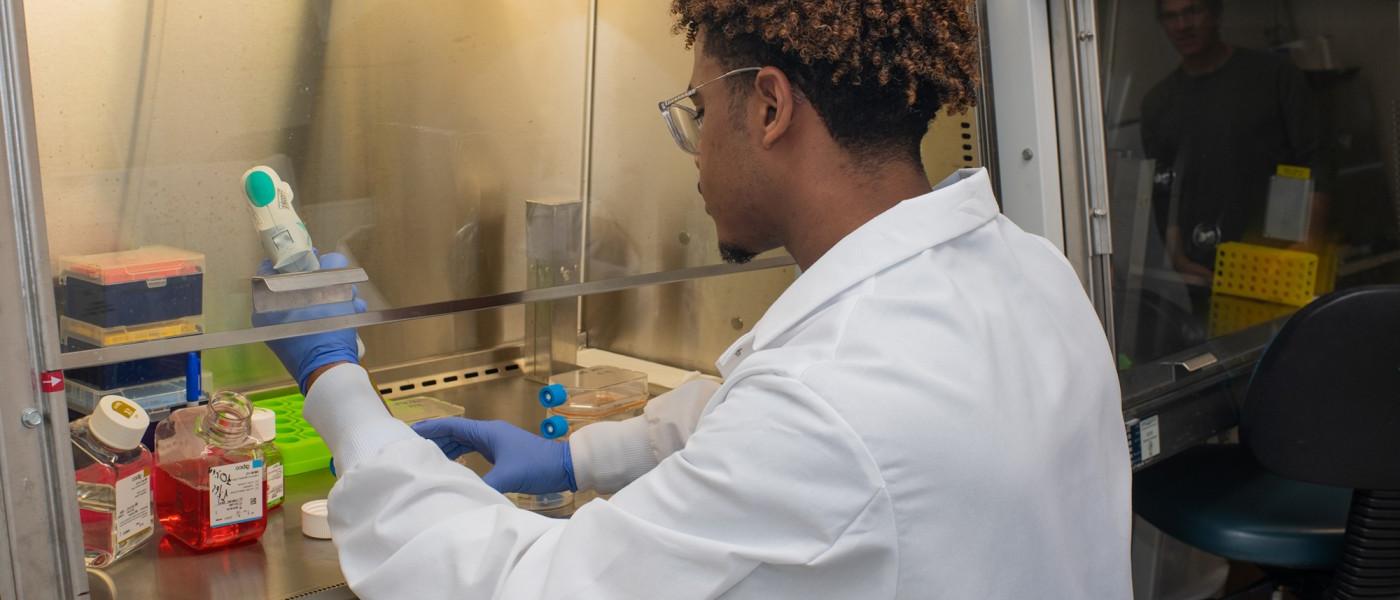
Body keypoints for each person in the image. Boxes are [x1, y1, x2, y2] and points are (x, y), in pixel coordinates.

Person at [257, 1, 1132, 597]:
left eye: (697, 112)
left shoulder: (829, 411)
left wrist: (340, 389)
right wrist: (580, 460)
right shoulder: (1031, 274)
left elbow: (521, 587)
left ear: (770, 108)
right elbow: (767, 410)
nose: (695, 151)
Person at [1142, 0, 1326, 284]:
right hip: (1205, 270)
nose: (1182, 26)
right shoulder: (1158, 103)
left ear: (1215, 13)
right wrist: (1178, 259)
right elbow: (1164, 190)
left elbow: (1316, 160)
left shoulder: (1274, 75)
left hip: (1279, 257)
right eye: (1171, 17)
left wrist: (1308, 242)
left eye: (1192, 11)